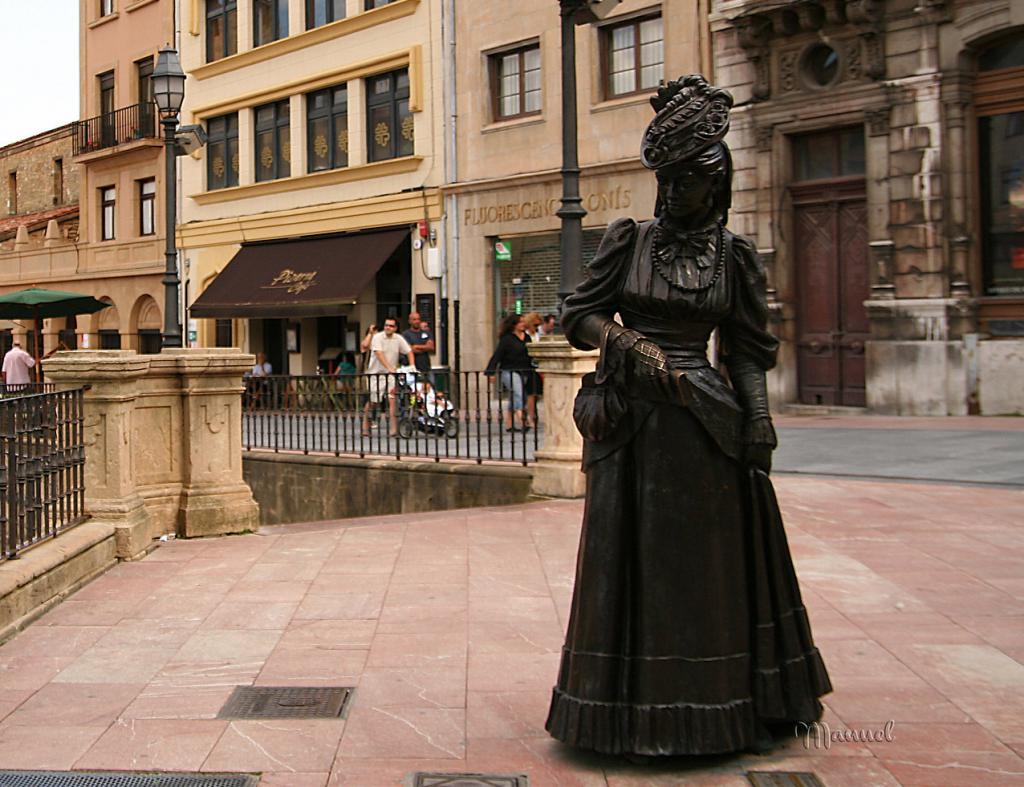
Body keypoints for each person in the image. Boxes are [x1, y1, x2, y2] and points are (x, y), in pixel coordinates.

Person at [546, 75, 831, 758]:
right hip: (636, 424)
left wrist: (757, 421)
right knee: (631, 563)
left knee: (705, 569)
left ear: (715, 184)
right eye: (666, 182)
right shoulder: (630, 239)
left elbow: (749, 348)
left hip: (706, 424)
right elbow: (577, 314)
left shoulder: (733, 256)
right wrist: (634, 347)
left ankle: (716, 706)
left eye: (685, 184)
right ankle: (619, 711)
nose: (672, 195)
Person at [363, 317, 414, 437]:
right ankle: (365, 426)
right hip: (376, 374)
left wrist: (412, 366)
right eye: (386, 325)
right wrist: (389, 367)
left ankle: (393, 429)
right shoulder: (378, 337)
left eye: (391, 326)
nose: (388, 328)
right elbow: (378, 353)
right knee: (373, 401)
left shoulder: (398, 338)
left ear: (395, 328)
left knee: (392, 400)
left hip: (391, 375)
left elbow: (409, 351)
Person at [485, 314, 533, 432]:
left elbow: (531, 354)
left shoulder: (527, 337)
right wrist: (491, 372)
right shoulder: (507, 339)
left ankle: (509, 424)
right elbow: (498, 355)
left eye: (523, 322)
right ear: (514, 325)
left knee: (515, 396)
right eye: (520, 322)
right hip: (509, 370)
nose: (523, 324)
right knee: (518, 394)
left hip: (524, 370)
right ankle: (523, 420)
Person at [402, 311, 435, 380]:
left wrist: (416, 346)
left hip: (426, 368)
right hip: (411, 369)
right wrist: (424, 347)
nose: (417, 321)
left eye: (418, 319)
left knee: (430, 388)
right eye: (414, 319)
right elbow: (409, 349)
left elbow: (431, 347)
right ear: (410, 321)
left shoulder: (426, 333)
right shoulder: (406, 334)